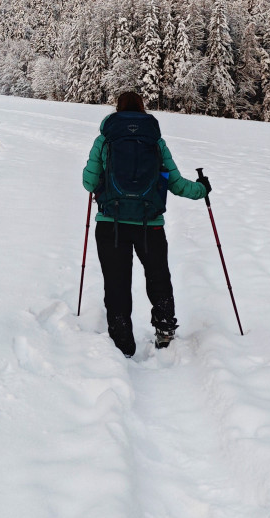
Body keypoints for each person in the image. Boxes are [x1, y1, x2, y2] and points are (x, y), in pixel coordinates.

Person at [81, 89, 210, 356]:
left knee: (116, 282)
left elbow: (89, 182)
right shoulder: (155, 141)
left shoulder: (104, 140)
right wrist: (201, 190)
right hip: (149, 222)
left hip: (111, 222)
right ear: (142, 108)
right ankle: (164, 330)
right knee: (158, 275)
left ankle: (122, 342)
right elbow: (174, 183)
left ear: (117, 109)